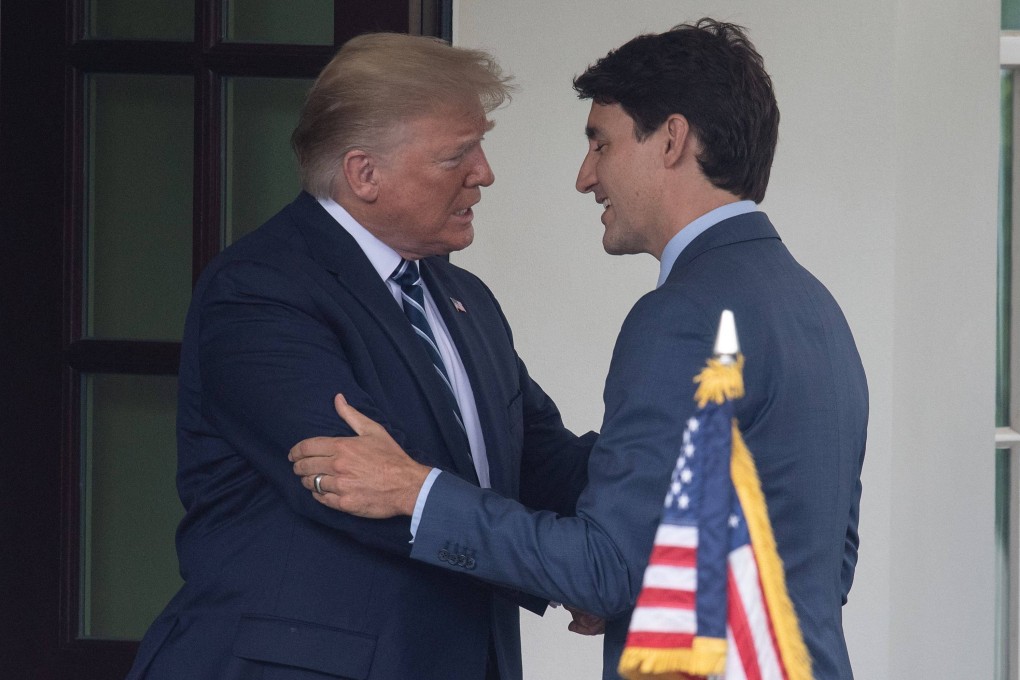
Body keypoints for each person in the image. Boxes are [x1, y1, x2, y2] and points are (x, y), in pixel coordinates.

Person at [290, 18, 869, 680]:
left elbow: (605, 570)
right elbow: (828, 560)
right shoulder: (815, 308)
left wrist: (418, 492)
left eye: (601, 143)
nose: (585, 176)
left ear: (672, 140)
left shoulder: (681, 314)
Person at [125, 32, 595, 680]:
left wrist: (669, 461)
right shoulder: (260, 291)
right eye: (457, 154)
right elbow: (369, 498)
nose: (484, 172)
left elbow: (542, 464)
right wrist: (569, 568)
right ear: (363, 173)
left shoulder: (466, 301)